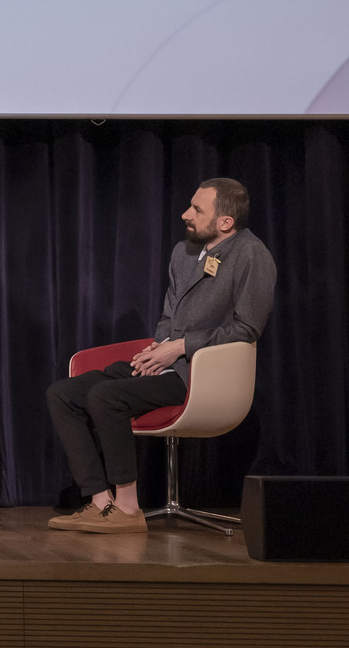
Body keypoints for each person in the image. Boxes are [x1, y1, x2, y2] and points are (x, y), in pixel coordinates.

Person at [46, 177, 275, 534]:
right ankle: (101, 503)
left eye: (197, 209)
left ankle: (127, 508)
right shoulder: (184, 252)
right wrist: (158, 347)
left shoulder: (251, 255)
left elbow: (246, 329)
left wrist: (180, 347)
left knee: (105, 396)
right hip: (167, 362)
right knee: (62, 393)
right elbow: (169, 314)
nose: (186, 214)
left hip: (199, 374)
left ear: (226, 221)